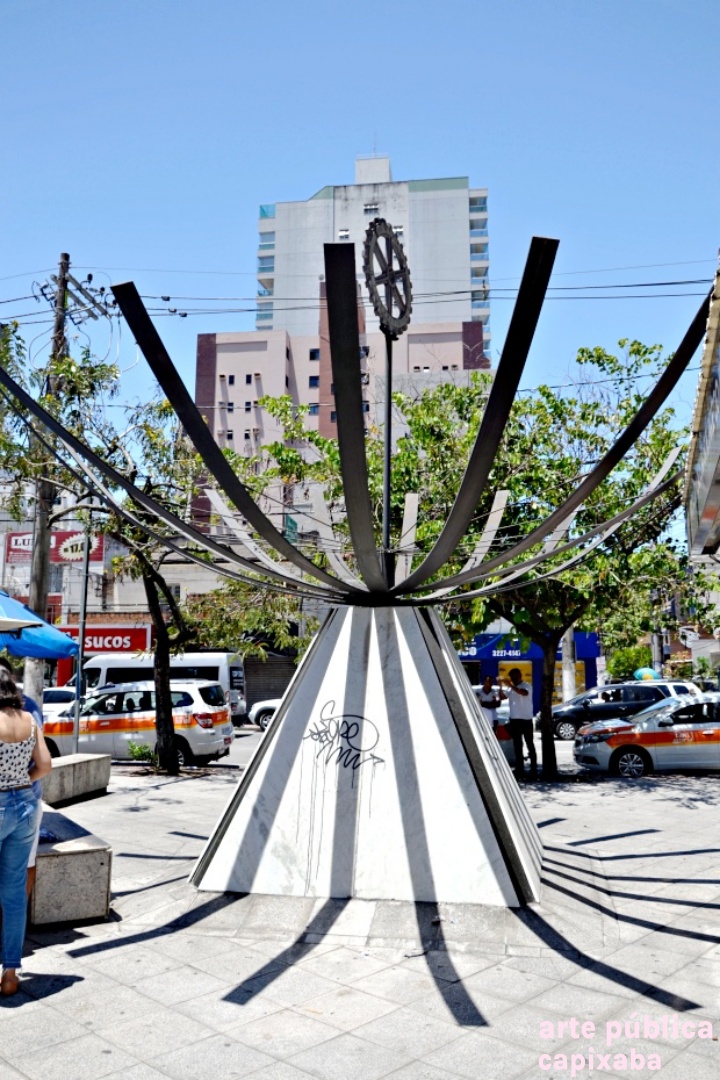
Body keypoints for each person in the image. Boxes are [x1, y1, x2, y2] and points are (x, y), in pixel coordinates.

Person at [0, 666, 52, 995]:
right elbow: (45, 766)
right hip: (26, 807)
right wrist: (20, 783)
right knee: (14, 893)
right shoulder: (29, 721)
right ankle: (10, 974)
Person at [0, 658, 44, 896]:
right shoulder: (30, 710)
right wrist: (21, 780)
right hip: (28, 800)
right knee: (21, 870)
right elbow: (44, 764)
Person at [503, 667, 537, 781]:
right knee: (517, 746)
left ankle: (533, 769)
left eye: (514, 677)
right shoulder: (511, 689)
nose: (512, 679)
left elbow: (523, 693)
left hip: (526, 719)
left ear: (519, 676)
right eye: (511, 677)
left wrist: (511, 685)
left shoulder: (526, 685)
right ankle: (520, 769)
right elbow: (502, 697)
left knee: (529, 744)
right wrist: (501, 686)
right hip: (515, 720)